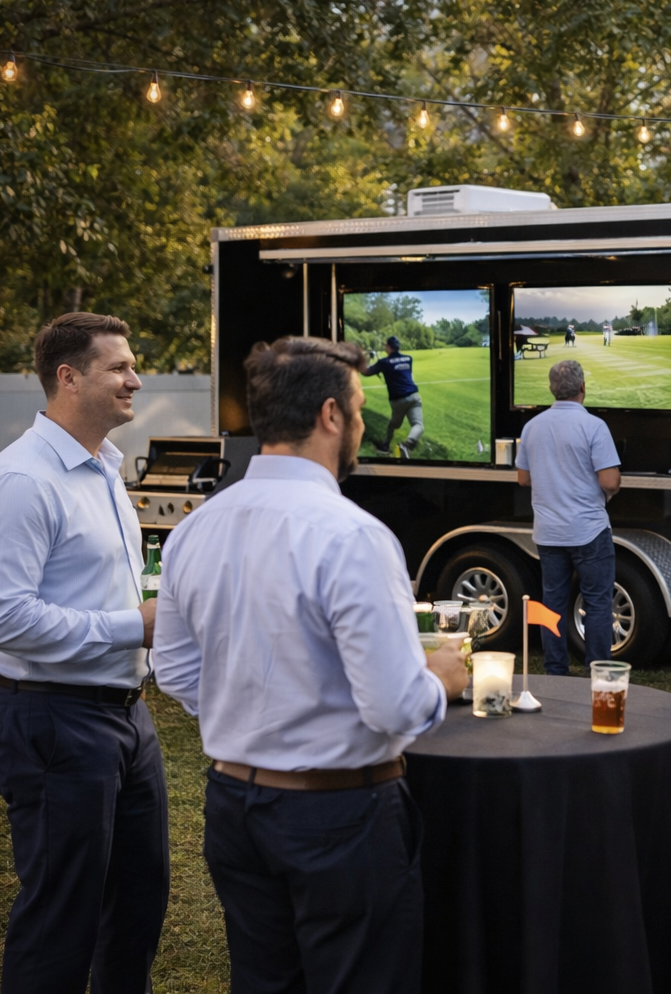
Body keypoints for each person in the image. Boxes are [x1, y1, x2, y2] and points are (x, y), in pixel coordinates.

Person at [153, 336, 467, 994]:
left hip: (233, 804)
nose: (359, 425)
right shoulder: (352, 534)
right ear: (331, 415)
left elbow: (176, 671)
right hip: (338, 815)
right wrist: (440, 676)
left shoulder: (195, 528)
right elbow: (394, 706)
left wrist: (254, 717)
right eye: (357, 410)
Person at [0, 312, 166, 994]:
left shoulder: (104, 469)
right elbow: (3, 620)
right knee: (62, 918)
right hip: (50, 720)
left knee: (139, 902)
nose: (135, 379)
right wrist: (129, 627)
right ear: (69, 377)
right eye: (119, 368)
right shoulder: (22, 481)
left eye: (132, 366)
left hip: (124, 716)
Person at [515, 359, 621, 674]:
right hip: (589, 530)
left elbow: (522, 478)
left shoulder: (532, 426)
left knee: (552, 605)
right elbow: (610, 481)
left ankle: (556, 672)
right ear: (583, 388)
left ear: (551, 389)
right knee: (598, 604)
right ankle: (598, 672)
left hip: (548, 532)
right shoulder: (593, 426)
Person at [363, 335, 423, 457]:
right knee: (418, 425)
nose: (385, 346)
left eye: (386, 344)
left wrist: (368, 358)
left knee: (394, 425)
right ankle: (407, 446)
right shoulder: (408, 358)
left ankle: (385, 445)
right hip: (414, 396)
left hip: (398, 400)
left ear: (388, 347)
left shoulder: (384, 362)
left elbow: (366, 371)